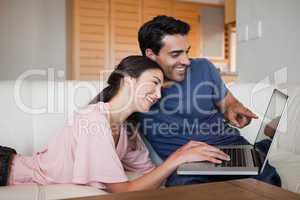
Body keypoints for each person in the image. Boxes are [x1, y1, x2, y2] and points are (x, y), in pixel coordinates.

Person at [0, 56, 230, 193]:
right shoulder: (94, 121)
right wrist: (179, 157)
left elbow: (150, 175)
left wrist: (193, 163)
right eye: (154, 83)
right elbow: (123, 192)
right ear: (129, 80)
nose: (158, 94)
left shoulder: (128, 129)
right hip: (7, 169)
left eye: (162, 88)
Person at [137, 15, 281, 186]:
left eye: (186, 51)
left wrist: (234, 108)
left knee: (268, 182)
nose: (185, 60)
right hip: (188, 163)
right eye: (175, 54)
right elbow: (103, 112)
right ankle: (263, 146)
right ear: (151, 54)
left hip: (230, 148)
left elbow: (228, 103)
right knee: (182, 190)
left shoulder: (203, 67)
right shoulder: (133, 84)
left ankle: (261, 147)